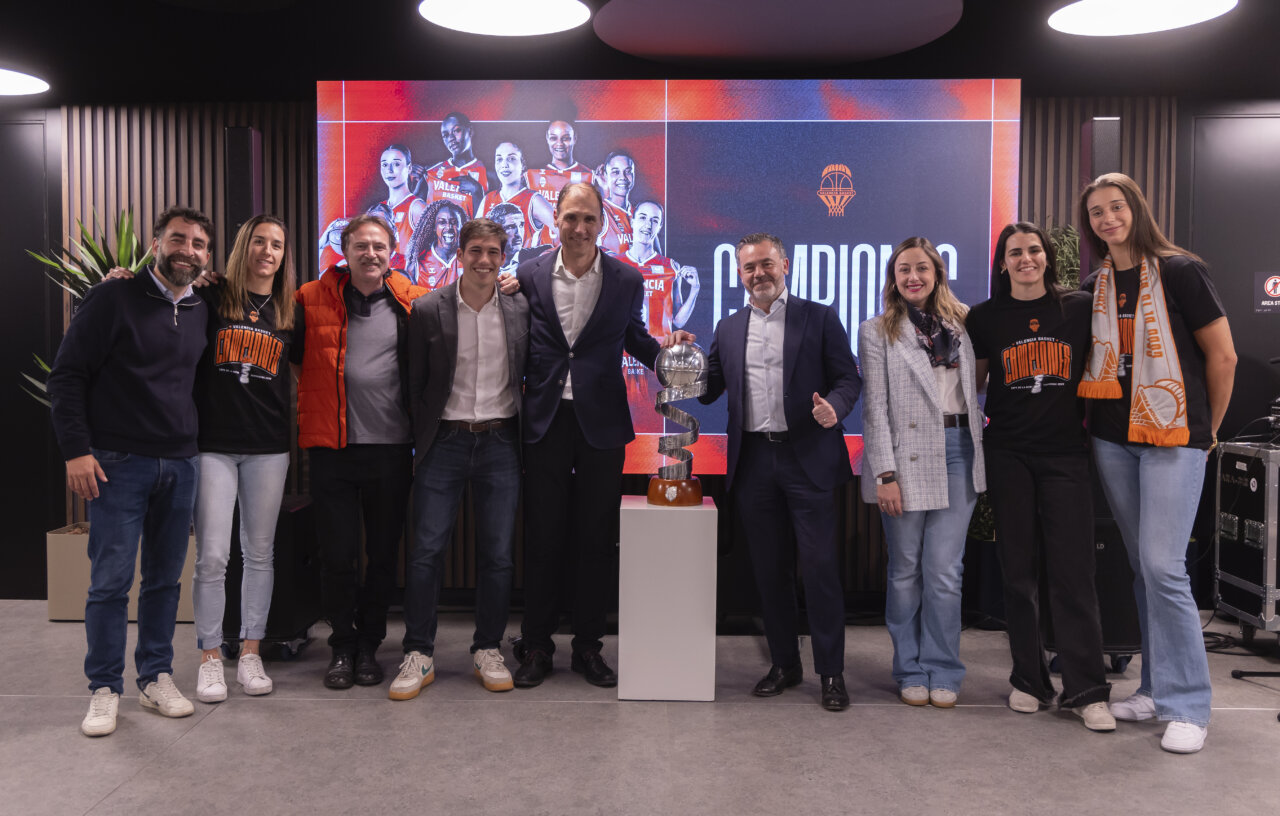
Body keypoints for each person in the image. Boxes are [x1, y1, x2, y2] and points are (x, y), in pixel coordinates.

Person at [1076, 172, 1236, 754]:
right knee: (1144, 568)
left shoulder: (1180, 271)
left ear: (1136, 210)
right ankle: (1154, 689)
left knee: (1164, 568)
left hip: (1175, 438)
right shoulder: (1095, 284)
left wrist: (1207, 430)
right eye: (1096, 213)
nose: (1107, 219)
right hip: (1113, 439)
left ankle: (1190, 703)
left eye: (1116, 207)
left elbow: (1223, 356)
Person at [513, 182, 692, 689]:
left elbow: (632, 334)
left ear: (603, 224)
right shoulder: (527, 274)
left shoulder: (625, 279)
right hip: (544, 420)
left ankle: (588, 648)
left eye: (589, 219)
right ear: (557, 220)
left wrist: (666, 347)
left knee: (595, 538)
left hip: (603, 423)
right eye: (571, 217)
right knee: (543, 536)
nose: (580, 227)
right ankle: (537, 646)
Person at [48, 206, 213, 737]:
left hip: (181, 463)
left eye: (199, 244)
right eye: (178, 239)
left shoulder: (201, 306)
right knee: (110, 583)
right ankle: (103, 688)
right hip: (118, 463)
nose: (188, 250)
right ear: (155, 242)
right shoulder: (113, 295)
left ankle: (155, 677)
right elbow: (67, 375)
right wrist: (77, 450)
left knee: (165, 581)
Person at [699, 233, 862, 711]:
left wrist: (834, 407)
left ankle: (831, 673)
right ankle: (785, 664)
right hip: (753, 463)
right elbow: (707, 388)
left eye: (766, 264)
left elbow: (848, 378)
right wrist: (679, 352)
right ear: (738, 275)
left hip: (805, 459)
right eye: (749, 268)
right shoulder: (728, 328)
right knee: (769, 572)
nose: (759, 274)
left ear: (784, 265)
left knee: (819, 571)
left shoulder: (820, 317)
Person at [967, 222, 1114, 731]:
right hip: (1007, 454)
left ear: (1048, 258)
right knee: (1018, 573)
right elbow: (977, 385)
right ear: (1002, 262)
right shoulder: (984, 318)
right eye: (1015, 252)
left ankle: (1088, 689)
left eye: (1033, 250)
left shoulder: (1077, 308)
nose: (1025, 258)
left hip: (1065, 456)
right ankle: (1028, 679)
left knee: (1074, 574)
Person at [390, 218, 530, 700]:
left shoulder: (519, 308)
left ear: (503, 255)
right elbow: (413, 384)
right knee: (426, 553)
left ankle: (487, 648)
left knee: (498, 555)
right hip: (443, 443)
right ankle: (419, 652)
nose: (485, 260)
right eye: (476, 250)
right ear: (460, 252)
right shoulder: (428, 309)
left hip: (500, 443)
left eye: (493, 251)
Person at [293, 214, 428, 691]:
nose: (370, 254)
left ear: (392, 252)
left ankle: (371, 645)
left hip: (392, 452)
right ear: (344, 251)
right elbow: (276, 342)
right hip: (333, 450)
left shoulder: (414, 301)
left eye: (379, 246)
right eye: (361, 246)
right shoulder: (310, 298)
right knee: (338, 556)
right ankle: (343, 647)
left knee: (384, 557)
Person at [858, 236, 985, 709]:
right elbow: (874, 410)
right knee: (905, 570)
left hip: (960, 450)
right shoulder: (877, 331)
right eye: (903, 270)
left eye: (922, 269)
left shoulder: (966, 323)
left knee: (945, 572)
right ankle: (909, 668)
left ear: (937, 274)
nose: (913, 277)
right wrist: (884, 473)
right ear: (893, 278)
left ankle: (944, 669)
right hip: (905, 455)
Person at [186, 215, 300, 704]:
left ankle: (250, 650)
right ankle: (211, 656)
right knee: (212, 555)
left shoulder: (290, 309)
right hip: (213, 444)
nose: (268, 251)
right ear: (242, 247)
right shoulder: (210, 297)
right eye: (259, 241)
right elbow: (161, 300)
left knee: (259, 552)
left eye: (277, 244)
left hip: (269, 447)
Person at [617, 200, 700, 433]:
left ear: (660, 227)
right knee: (622, 420)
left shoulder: (669, 267)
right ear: (632, 221)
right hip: (621, 359)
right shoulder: (615, 264)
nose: (647, 225)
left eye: (655, 220)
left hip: (656, 358)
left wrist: (694, 290)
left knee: (655, 421)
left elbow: (679, 321)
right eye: (643, 217)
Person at [525, 119, 595, 244]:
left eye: (566, 138)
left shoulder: (590, 176)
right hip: (543, 255)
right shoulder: (532, 176)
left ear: (575, 138)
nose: (559, 143)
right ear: (547, 138)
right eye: (553, 138)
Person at [477, 140, 556, 249]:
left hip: (523, 266)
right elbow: (474, 240)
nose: (504, 165)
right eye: (499, 159)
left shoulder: (534, 200)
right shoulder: (487, 199)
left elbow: (566, 232)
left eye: (511, 159)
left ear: (523, 164)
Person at [411, 112, 485, 217]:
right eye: (445, 135)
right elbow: (413, 216)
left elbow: (489, 224)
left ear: (470, 131)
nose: (451, 138)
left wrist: (477, 192)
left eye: (456, 130)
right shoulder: (430, 172)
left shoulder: (490, 174)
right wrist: (413, 185)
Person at [371, 144, 427, 278]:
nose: (389, 170)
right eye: (384, 165)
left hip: (404, 288)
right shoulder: (377, 210)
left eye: (396, 164)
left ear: (409, 168)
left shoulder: (417, 207)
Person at [406, 199, 465, 290]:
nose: (448, 227)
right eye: (442, 222)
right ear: (434, 227)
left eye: (454, 222)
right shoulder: (417, 264)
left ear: (461, 226)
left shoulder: (470, 260)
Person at [595, 150, 635, 255]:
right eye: (615, 172)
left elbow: (657, 256)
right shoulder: (598, 211)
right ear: (605, 175)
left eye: (628, 171)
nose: (623, 177)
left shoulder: (641, 213)